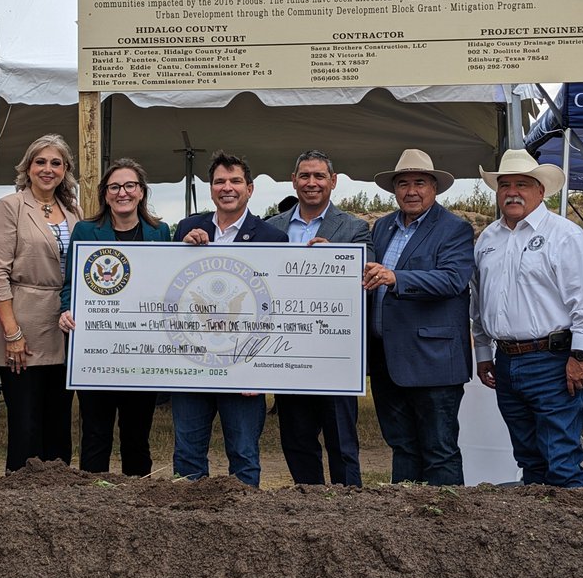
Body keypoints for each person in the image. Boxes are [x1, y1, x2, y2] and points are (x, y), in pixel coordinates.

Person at [471, 148, 583, 487]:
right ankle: (540, 537)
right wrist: (484, 353)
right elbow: (479, 300)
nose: (512, 192)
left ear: (540, 190)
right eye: (505, 185)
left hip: (553, 359)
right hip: (506, 360)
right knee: (528, 457)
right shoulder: (488, 239)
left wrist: (579, 356)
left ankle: (576, 536)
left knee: (560, 457)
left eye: (522, 184)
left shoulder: (565, 235)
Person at [173, 150, 287, 486]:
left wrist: (261, 371)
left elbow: (276, 309)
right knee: (188, 455)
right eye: (220, 181)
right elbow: (169, 289)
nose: (227, 187)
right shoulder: (187, 228)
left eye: (235, 181)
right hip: (192, 364)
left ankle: (243, 529)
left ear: (249, 188)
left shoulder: (272, 238)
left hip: (244, 372)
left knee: (244, 455)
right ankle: (186, 527)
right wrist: (181, 247)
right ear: (211, 189)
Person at [362, 149, 473, 486]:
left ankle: (446, 525)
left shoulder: (455, 229)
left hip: (433, 360)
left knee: (439, 449)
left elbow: (453, 279)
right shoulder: (382, 227)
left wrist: (397, 278)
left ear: (434, 188)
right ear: (393, 190)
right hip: (387, 358)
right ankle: (407, 524)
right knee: (402, 446)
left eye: (419, 183)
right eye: (403, 183)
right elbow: (365, 270)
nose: (411, 191)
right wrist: (330, 254)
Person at [266, 150, 371, 486]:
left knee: (342, 443)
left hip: (335, 354)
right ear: (293, 181)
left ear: (333, 181)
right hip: (287, 352)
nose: (312, 183)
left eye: (319, 176)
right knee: (296, 441)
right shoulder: (271, 228)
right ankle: (308, 511)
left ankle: (349, 511)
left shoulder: (355, 228)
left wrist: (338, 258)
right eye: (305, 176)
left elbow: (368, 272)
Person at [59, 159, 171, 475]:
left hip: (142, 354)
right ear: (105, 194)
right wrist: (67, 311)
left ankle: (138, 504)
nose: (122, 192)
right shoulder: (85, 230)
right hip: (96, 351)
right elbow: (71, 285)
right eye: (115, 187)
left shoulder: (160, 231)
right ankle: (94, 503)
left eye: (129, 185)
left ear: (141, 192)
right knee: (95, 433)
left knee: (137, 436)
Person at [0, 134, 81, 472]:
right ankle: (19, 506)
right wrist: (12, 332)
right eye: (40, 161)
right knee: (27, 427)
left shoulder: (74, 212)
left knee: (58, 425)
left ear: (65, 169)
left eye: (56, 162)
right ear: (27, 167)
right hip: (22, 325)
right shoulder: (10, 206)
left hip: (65, 329)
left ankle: (59, 503)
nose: (48, 169)